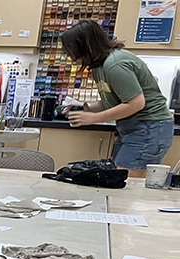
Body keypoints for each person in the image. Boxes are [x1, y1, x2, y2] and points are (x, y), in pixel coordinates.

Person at [61, 19, 174, 178]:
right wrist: (86, 109)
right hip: (133, 128)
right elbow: (113, 100)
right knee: (117, 181)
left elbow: (136, 103)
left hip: (149, 127)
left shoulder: (115, 64)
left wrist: (93, 118)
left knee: (123, 183)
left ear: (85, 47)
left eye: (70, 50)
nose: (69, 55)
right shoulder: (99, 66)